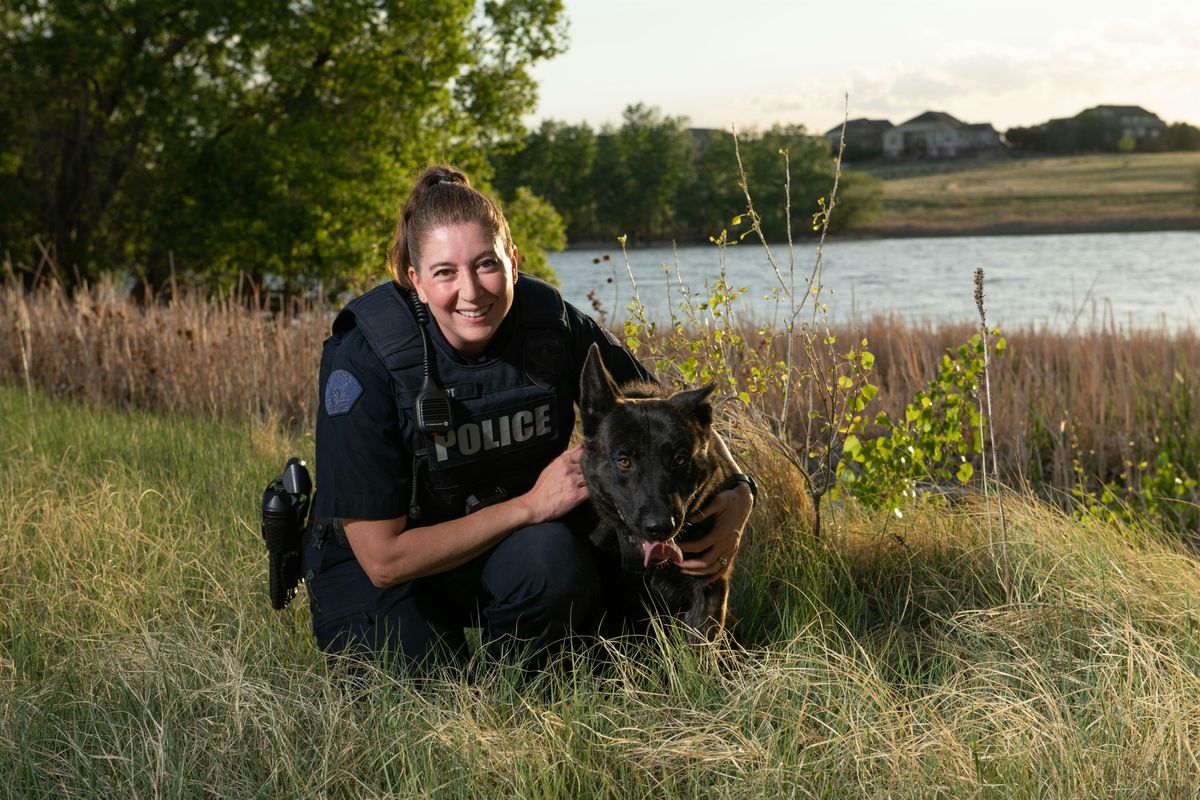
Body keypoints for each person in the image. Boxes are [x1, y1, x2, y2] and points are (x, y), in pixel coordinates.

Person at [303, 164, 754, 670]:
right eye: (445, 272)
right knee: (418, 695)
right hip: (387, 565)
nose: (472, 292)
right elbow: (383, 560)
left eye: (486, 264)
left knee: (555, 569)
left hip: (506, 550)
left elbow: (669, 413)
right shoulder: (367, 358)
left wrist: (739, 493)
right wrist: (530, 507)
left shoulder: (549, 324)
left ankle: (521, 676)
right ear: (415, 280)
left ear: (513, 262)